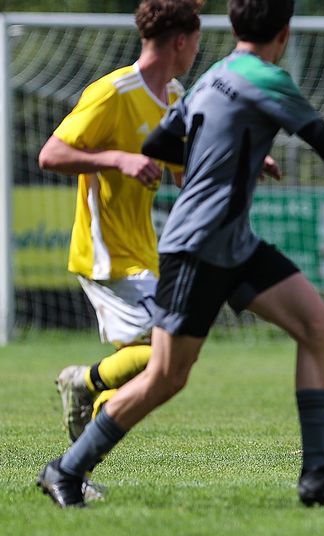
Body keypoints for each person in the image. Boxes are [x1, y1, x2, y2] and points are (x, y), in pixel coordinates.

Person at [36, 0, 324, 509]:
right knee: (166, 376)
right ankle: (65, 469)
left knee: (318, 325)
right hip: (198, 246)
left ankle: (316, 472)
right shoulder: (268, 78)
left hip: (231, 243)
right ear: (283, 33)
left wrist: (236, 153)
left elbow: (161, 143)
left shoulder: (214, 75)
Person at [37, 0, 202, 447]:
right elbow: (51, 154)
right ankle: (84, 385)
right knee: (168, 352)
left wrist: (240, 162)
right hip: (105, 251)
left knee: (162, 361)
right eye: (196, 41)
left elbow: (184, 171)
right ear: (181, 42)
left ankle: (87, 417)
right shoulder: (113, 92)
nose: (196, 51)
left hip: (143, 249)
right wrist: (118, 159)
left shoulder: (174, 96)